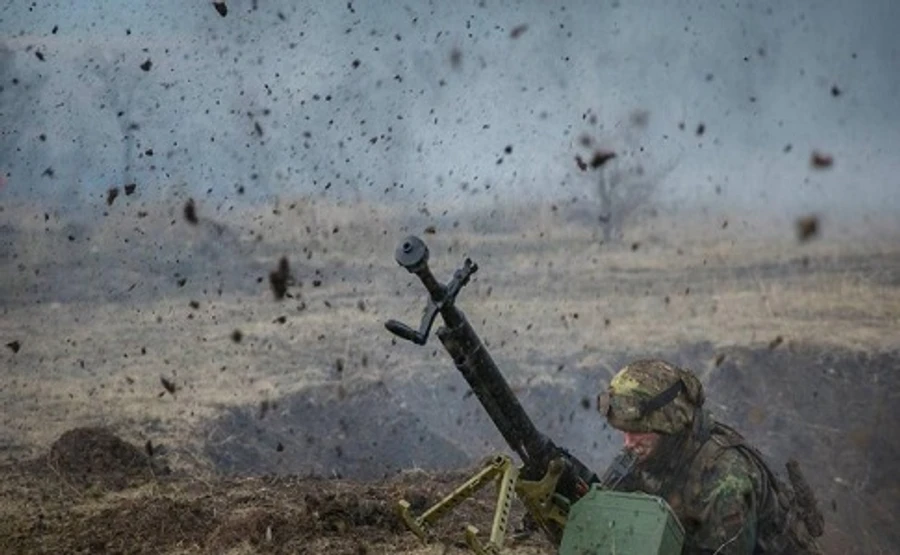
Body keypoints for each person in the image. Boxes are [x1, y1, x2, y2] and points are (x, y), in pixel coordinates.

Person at [596, 359, 824, 554]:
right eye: (624, 432)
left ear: (671, 426)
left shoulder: (726, 479)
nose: (628, 443)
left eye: (639, 432)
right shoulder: (649, 454)